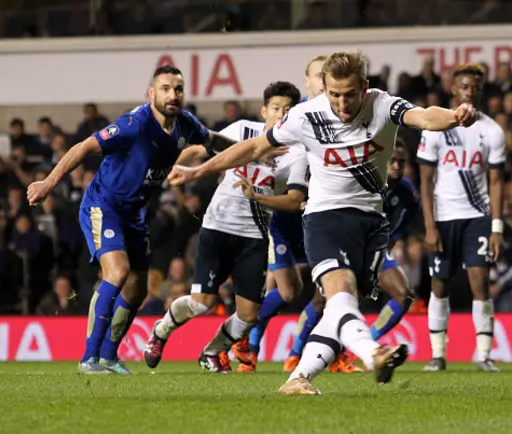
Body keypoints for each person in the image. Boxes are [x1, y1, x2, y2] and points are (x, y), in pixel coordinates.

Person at [166, 50, 476, 394]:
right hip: (325, 219)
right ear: (324, 89)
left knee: (341, 308)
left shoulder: (383, 106)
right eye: (334, 94)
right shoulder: (305, 116)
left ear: (364, 87)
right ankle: (374, 352)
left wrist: (455, 116)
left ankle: (297, 378)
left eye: (350, 94)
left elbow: (425, 117)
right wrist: (199, 170)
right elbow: (254, 148)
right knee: (340, 293)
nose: (342, 104)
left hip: (372, 223)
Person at [26, 65, 226, 374]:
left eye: (177, 89)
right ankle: (88, 359)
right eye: (165, 89)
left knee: (136, 289)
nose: (172, 95)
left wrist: (254, 152)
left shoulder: (185, 124)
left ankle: (108, 356)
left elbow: (213, 140)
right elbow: (85, 147)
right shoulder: (134, 125)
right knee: (117, 272)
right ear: (152, 93)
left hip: (134, 214)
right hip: (103, 206)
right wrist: (48, 183)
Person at [143, 82, 303, 372]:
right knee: (201, 303)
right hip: (217, 227)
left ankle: (212, 351)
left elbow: (294, 201)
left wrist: (257, 196)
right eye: (276, 108)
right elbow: (200, 151)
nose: (281, 115)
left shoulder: (297, 153)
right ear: (264, 110)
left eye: (288, 110)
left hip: (254, 236)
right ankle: (161, 330)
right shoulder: (242, 130)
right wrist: (175, 165)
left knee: (249, 315)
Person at [228, 55, 339, 373]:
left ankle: (259, 346)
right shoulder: (297, 117)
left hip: (320, 213)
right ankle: (248, 344)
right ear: (308, 81)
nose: (325, 81)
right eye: (319, 75)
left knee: (316, 287)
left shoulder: (344, 113)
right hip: (287, 216)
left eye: (329, 75)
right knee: (295, 289)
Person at [283, 143, 420, 373]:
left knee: (403, 295)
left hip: (375, 244)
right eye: (392, 161)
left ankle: (367, 346)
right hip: (344, 239)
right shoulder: (364, 177)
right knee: (324, 300)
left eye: (402, 162)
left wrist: (394, 234)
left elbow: (412, 207)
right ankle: (295, 355)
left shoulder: (404, 188)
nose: (397, 167)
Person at [416, 63, 505, 372]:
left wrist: (496, 227)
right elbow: (425, 180)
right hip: (443, 217)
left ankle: (484, 355)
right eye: (464, 86)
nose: (469, 91)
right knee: (440, 284)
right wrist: (429, 226)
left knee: (480, 282)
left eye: (475, 87)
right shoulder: (437, 126)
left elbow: (496, 182)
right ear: (453, 90)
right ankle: (438, 354)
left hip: (477, 217)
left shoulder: (492, 131)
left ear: (481, 91)